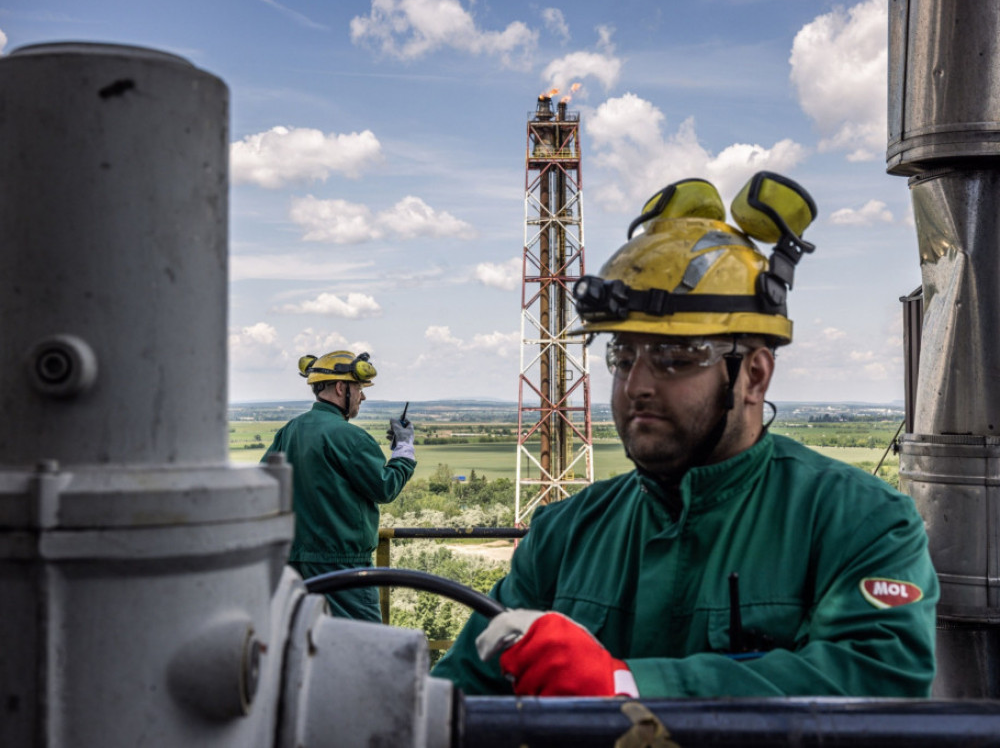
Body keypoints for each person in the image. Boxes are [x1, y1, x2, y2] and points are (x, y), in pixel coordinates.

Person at [432, 173, 938, 698]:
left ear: (755, 375)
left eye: (675, 358)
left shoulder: (860, 522)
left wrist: (630, 685)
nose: (637, 386)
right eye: (622, 356)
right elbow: (454, 697)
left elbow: (878, 681)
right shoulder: (565, 535)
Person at [263, 349, 416, 621]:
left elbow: (265, 483)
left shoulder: (290, 431)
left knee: (308, 645)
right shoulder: (350, 437)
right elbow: (385, 487)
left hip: (293, 564)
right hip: (342, 567)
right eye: (359, 388)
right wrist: (404, 448)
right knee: (366, 646)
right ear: (340, 387)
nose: (363, 396)